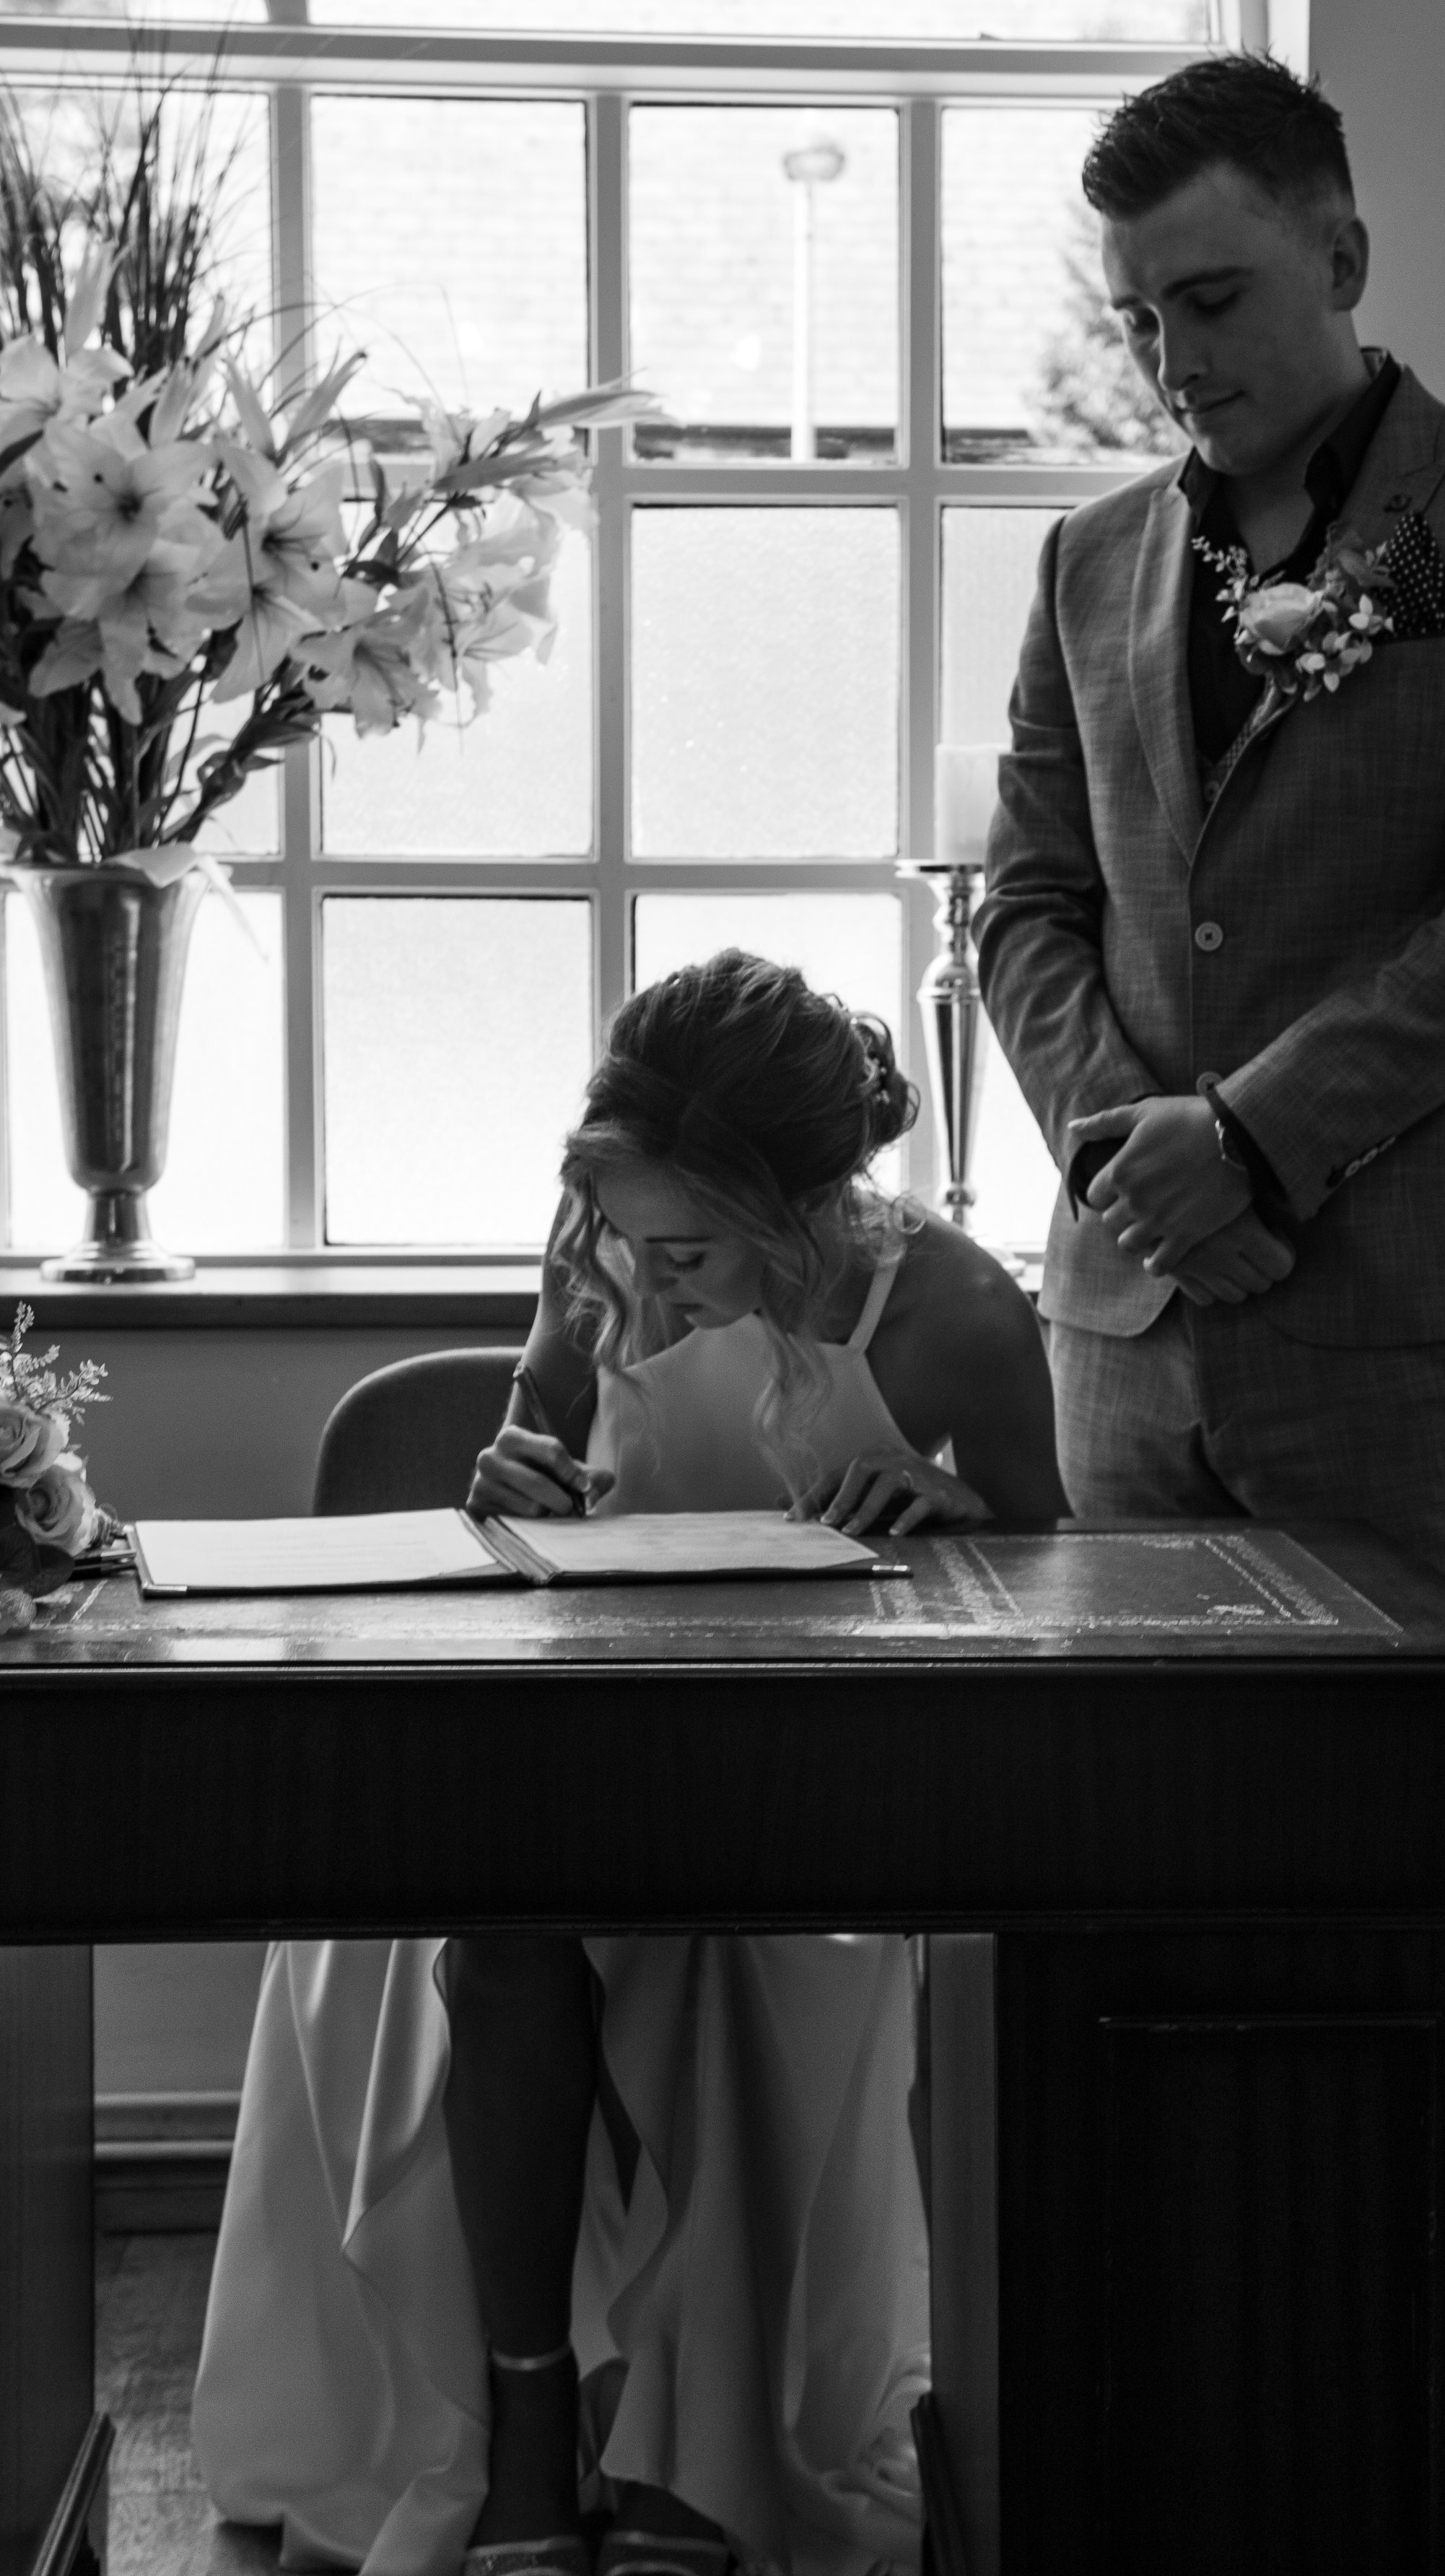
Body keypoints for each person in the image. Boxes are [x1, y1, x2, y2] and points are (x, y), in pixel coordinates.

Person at [976, 53, 1445, 2338]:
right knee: (1143, 1845)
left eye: (1218, 295)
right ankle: (1178, 2345)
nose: (1179, 356)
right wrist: (1134, 1160)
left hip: (1406, 1330)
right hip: (1126, 1337)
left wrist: (1251, 1134)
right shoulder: (1083, 561)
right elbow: (1026, 908)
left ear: (1344, 262)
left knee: (1444, 1853)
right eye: (1143, 315)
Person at [193, 951, 1065, 2576]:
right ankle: (524, 2423)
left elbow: (1052, 1571)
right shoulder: (597, 1243)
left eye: (689, 1255)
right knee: (499, 1931)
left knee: (713, 1967)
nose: (641, 1294)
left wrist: (963, 1525)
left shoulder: (950, 1310)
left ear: (811, 1209)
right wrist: (506, 1468)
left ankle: (693, 2452)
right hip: (569, 1721)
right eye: (623, 1245)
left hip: (805, 1778)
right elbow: (514, 1481)